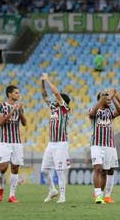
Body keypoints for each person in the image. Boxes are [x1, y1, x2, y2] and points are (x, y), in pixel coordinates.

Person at [89, 88, 120, 204]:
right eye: (104, 95)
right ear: (100, 99)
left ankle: (105, 195)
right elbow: (91, 114)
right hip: (97, 144)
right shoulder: (94, 110)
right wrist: (104, 98)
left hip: (109, 145)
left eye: (107, 95)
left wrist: (115, 96)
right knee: (98, 168)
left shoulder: (110, 112)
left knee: (107, 171)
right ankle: (98, 195)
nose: (107, 96)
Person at [40, 73, 71, 203]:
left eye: (56, 99)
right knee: (44, 170)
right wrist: (42, 82)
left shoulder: (65, 108)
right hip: (51, 143)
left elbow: (57, 94)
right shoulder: (53, 108)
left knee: (60, 170)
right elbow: (44, 95)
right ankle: (53, 190)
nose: (53, 100)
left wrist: (48, 79)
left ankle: (62, 195)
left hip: (61, 143)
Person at [0, 85, 27, 203]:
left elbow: (24, 123)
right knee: (3, 167)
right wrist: (12, 111)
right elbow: (0, 122)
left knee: (15, 167)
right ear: (9, 94)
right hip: (4, 142)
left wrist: (20, 112)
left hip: (17, 142)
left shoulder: (19, 107)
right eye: (16, 93)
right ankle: (0, 188)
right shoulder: (1, 106)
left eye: (18, 93)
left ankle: (12, 195)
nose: (18, 95)